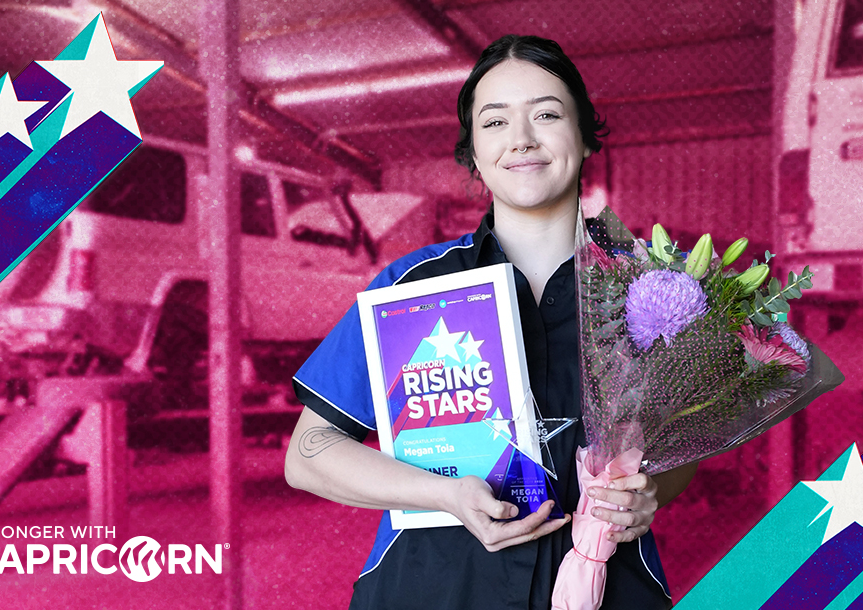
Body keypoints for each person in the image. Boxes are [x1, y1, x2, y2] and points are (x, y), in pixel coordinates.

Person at [285, 34, 697, 610]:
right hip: (432, 588)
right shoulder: (412, 288)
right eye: (495, 122)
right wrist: (444, 494)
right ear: (473, 152)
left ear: (583, 136)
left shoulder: (658, 290)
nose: (522, 140)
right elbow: (307, 451)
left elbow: (685, 445)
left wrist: (648, 493)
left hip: (608, 586)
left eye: (547, 115)